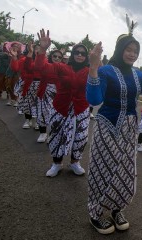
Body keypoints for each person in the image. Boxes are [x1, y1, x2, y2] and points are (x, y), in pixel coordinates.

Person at [86, 15, 142, 235]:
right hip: (106, 125)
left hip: (129, 128)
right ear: (120, 49)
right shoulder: (105, 71)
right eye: (128, 49)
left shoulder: (139, 75)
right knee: (102, 168)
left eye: (135, 51)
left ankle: (117, 208)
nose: (132, 54)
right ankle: (95, 213)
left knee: (124, 170)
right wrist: (93, 69)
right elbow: (94, 100)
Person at [36, 29, 90, 178]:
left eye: (83, 53)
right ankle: (56, 164)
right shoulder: (62, 67)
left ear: (86, 57)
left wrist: (97, 60)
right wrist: (43, 50)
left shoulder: (90, 71)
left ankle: (75, 162)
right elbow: (41, 68)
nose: (80, 55)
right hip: (61, 108)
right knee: (56, 136)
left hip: (81, 110)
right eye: (77, 52)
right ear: (73, 54)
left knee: (80, 138)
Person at [34, 49, 63, 143]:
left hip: (57, 95)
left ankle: (52, 134)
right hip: (44, 93)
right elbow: (38, 64)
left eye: (59, 57)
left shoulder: (64, 68)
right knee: (42, 113)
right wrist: (42, 50)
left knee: (55, 115)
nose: (57, 58)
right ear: (51, 56)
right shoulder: (45, 65)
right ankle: (43, 133)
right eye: (55, 56)